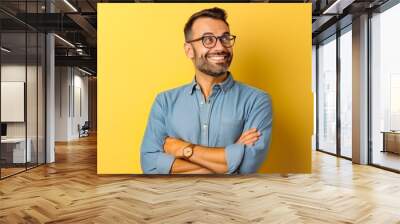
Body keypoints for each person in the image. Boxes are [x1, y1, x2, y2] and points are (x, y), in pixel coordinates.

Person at [140, 7, 272, 174]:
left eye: (225, 38)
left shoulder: (257, 100)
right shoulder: (164, 101)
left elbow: (247, 166)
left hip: (233, 199)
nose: (220, 47)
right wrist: (231, 158)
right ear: (189, 50)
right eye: (208, 40)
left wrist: (184, 149)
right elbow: (150, 165)